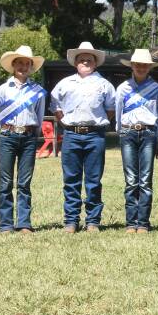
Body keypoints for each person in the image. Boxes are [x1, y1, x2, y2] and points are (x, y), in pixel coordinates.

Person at [51, 41, 116, 233]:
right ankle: (71, 221)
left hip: (95, 136)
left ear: (95, 63)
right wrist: (66, 123)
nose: (85, 62)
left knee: (94, 180)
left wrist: (93, 123)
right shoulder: (64, 84)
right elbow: (56, 107)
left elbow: (110, 109)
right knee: (71, 179)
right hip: (71, 135)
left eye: (89, 60)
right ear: (75, 63)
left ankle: (93, 221)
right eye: (82, 60)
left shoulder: (104, 85)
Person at [0, 45, 47, 234]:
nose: (23, 67)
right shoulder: (2, 90)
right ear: (13, 65)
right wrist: (8, 131)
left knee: (24, 182)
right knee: (6, 182)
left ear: (31, 67)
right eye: (20, 63)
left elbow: (39, 117)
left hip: (28, 137)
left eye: (27, 64)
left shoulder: (38, 91)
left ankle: (24, 223)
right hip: (7, 136)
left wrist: (31, 133)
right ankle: (6, 224)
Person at [114, 48, 158, 233]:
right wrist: (120, 131)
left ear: (149, 67)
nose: (141, 67)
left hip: (149, 133)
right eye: (138, 65)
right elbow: (118, 113)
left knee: (145, 179)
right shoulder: (123, 88)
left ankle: (143, 222)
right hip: (128, 133)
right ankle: (130, 222)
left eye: (145, 65)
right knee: (131, 179)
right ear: (132, 66)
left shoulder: (157, 89)